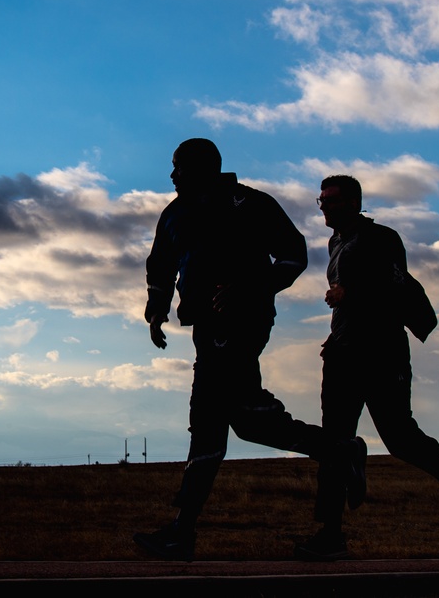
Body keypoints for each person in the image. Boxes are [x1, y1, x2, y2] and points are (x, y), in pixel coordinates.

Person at [134, 139, 362, 562]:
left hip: (243, 323)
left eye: (178, 167)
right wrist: (155, 310)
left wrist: (252, 288)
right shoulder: (175, 213)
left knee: (208, 417)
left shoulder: (251, 204)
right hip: (205, 328)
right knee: (244, 422)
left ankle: (182, 533)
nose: (171, 176)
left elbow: (294, 255)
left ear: (201, 168)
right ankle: (339, 449)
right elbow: (160, 264)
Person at [296, 175, 439, 561]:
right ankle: (331, 534)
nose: (325, 207)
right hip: (343, 353)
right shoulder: (336, 243)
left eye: (331, 200)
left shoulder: (382, 238)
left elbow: (393, 287)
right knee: (335, 442)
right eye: (321, 200)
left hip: (382, 352)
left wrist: (351, 292)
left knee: (400, 437)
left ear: (353, 202)